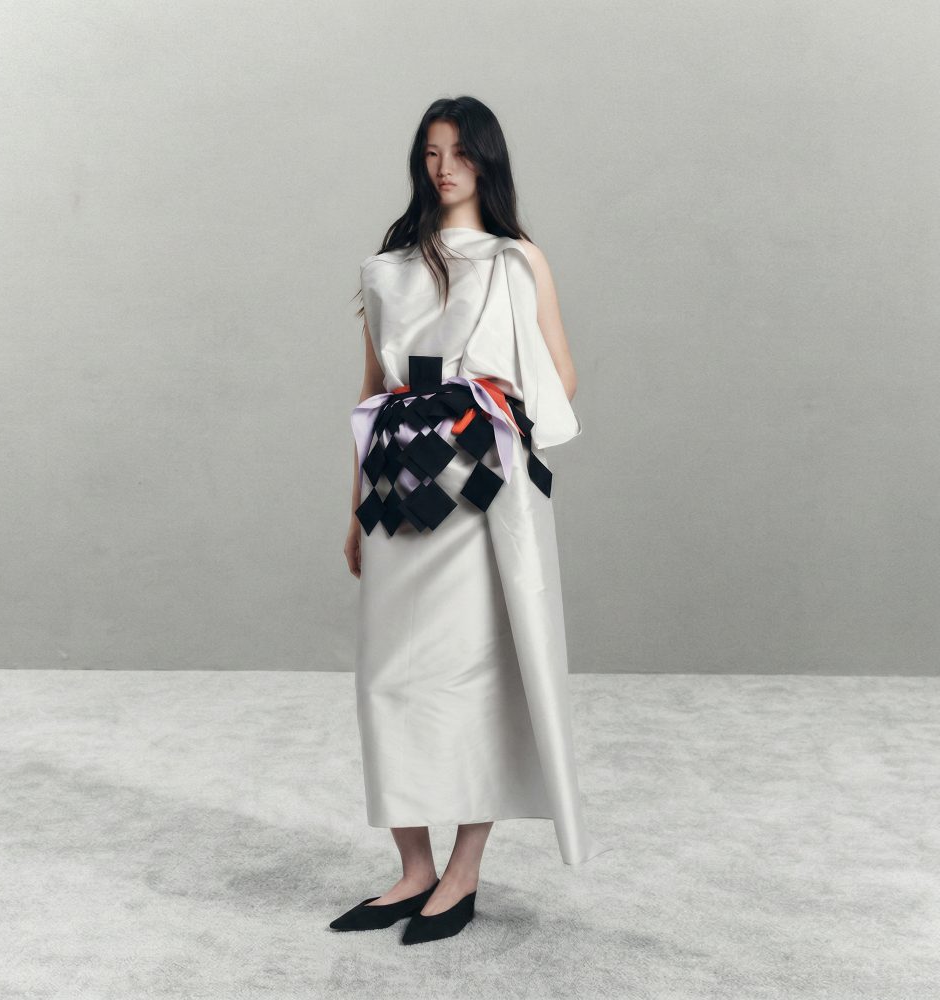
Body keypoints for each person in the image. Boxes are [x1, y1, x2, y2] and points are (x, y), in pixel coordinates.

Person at [332, 96, 609, 946]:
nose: (444, 167)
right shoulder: (387, 267)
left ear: (487, 160)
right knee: (388, 679)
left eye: (459, 151)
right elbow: (371, 395)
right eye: (431, 151)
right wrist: (353, 512)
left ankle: (463, 872)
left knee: (477, 673)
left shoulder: (516, 261)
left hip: (479, 483)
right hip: (396, 484)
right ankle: (412, 868)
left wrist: (486, 400)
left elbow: (560, 374)